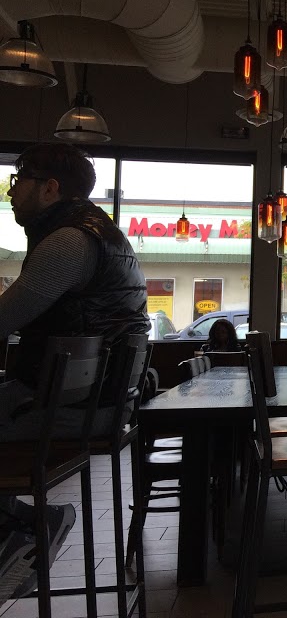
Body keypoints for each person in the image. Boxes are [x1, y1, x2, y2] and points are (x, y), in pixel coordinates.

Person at [0, 143, 149, 604]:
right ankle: (19, 523)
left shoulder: (68, 242)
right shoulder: (104, 238)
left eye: (18, 182)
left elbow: (6, 317)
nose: (11, 192)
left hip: (72, 409)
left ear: (50, 188)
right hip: (98, 404)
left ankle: (20, 528)